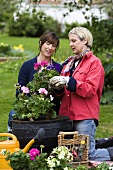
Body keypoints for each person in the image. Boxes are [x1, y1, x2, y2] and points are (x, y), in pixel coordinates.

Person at [49, 27, 113, 161]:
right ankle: (103, 144)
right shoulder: (69, 63)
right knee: (69, 156)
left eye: (74, 41)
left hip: (84, 116)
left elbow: (90, 89)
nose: (71, 44)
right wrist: (58, 88)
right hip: (67, 116)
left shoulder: (94, 63)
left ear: (85, 41)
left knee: (85, 155)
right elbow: (63, 94)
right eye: (70, 41)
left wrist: (69, 81)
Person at [8, 30, 62, 133]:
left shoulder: (58, 68)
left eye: (53, 45)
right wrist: (30, 101)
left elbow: (60, 94)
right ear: (40, 43)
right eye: (48, 43)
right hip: (30, 106)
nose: (50, 48)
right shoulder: (27, 66)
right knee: (13, 114)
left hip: (50, 108)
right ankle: (11, 138)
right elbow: (19, 91)